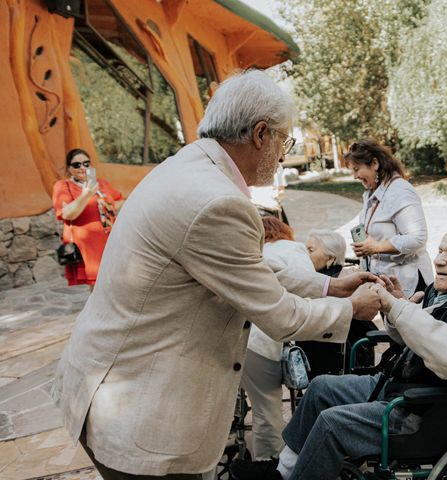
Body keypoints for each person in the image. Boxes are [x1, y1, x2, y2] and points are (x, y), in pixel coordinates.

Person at [51, 70, 380, 480]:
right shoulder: (217, 202)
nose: (282, 154)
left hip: (113, 387)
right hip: (144, 416)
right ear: (261, 134)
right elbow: (279, 317)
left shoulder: (188, 166)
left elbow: (248, 272)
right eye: (284, 140)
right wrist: (351, 309)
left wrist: (329, 285)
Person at [230, 223, 447, 480]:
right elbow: (418, 339)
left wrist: (397, 307)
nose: (438, 261)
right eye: (441, 251)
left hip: (434, 412)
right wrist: (399, 309)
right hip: (407, 389)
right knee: (321, 388)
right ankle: (283, 472)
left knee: (333, 423)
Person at [242, 216, 316, 462]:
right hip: (261, 338)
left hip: (241, 337)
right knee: (267, 409)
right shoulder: (293, 248)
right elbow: (308, 287)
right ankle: (268, 464)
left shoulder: (255, 252)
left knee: (257, 405)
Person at [346, 139, 433, 297]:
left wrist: (377, 247)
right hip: (387, 283)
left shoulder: (400, 191)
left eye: (357, 169)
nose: (355, 176)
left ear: (374, 164)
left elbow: (418, 237)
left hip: (408, 285)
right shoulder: (372, 193)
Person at [300, 229, 377, 377]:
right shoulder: (314, 280)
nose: (305, 255)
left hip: (336, 361)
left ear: (330, 258)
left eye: (310, 250)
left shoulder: (337, 282)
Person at [52, 148, 123, 288]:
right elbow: (67, 214)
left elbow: (120, 200)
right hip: (88, 246)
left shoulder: (102, 184)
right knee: (98, 287)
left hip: (110, 241)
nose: (82, 168)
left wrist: (107, 206)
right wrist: (87, 194)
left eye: (86, 163)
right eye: (77, 165)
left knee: (117, 282)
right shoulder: (63, 186)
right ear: (69, 168)